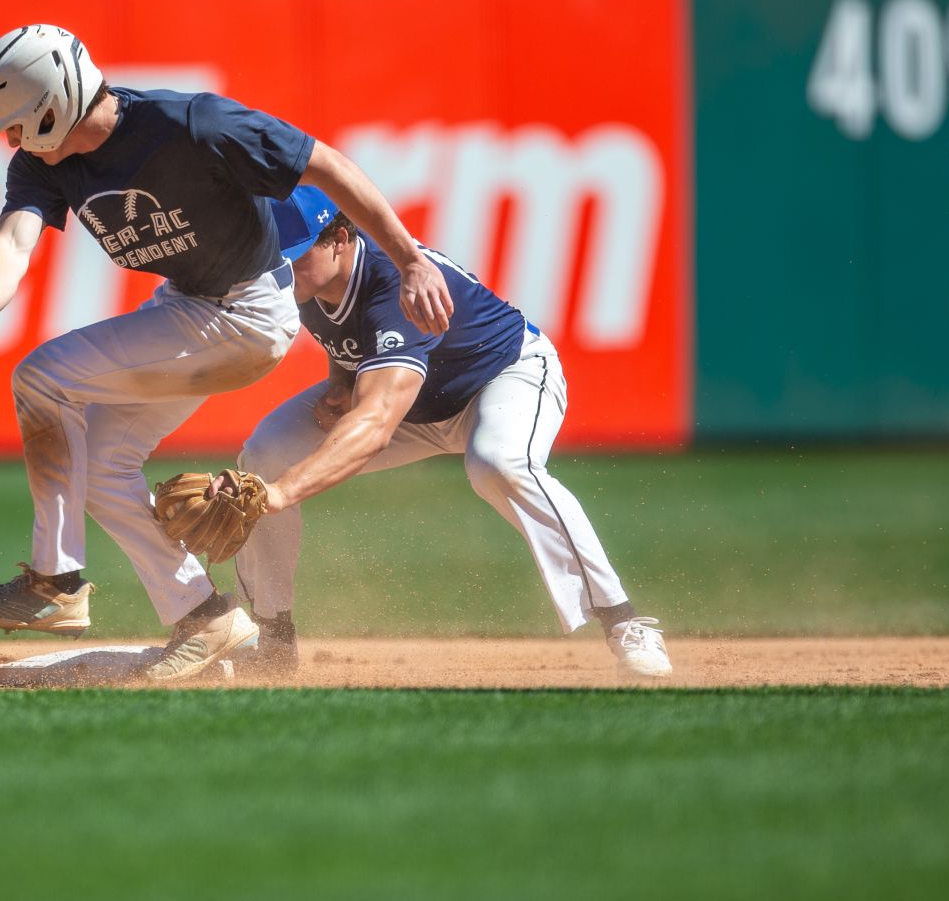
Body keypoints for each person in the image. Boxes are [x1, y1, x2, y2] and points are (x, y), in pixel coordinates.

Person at [0, 23, 454, 682]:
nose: (11, 141)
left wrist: (410, 259)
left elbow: (326, 165)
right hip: (190, 309)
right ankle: (204, 615)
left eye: (15, 125)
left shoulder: (191, 122)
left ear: (51, 106)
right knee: (99, 463)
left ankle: (56, 582)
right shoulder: (45, 164)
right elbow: (14, 242)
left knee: (41, 377)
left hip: (248, 311)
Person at [229, 186, 673, 679]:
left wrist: (282, 493)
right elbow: (349, 338)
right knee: (266, 453)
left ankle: (625, 621)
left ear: (339, 237)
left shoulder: (393, 284)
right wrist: (341, 381)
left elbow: (375, 425)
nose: (284, 267)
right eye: (277, 255)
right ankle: (272, 637)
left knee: (499, 462)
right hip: (412, 403)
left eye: (295, 253)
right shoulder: (309, 282)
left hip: (501, 379)